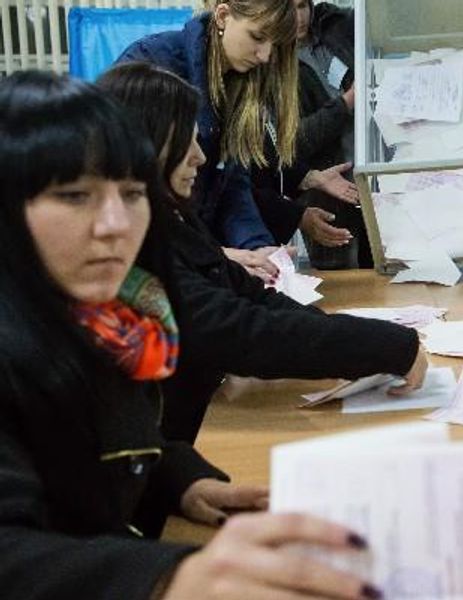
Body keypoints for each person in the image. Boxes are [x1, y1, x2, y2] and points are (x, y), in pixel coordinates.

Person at [0, 70, 378, 600]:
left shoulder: (104, 315)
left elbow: (93, 447)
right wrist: (165, 575)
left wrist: (178, 481)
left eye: (132, 193)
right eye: (73, 195)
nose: (114, 223)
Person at [98, 62, 428, 446]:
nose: (200, 158)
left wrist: (356, 345)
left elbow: (251, 297)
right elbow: (237, 330)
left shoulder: (170, 219)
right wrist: (384, 346)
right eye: (184, 143)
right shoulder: (129, 248)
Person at [118, 0, 298, 280]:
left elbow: (232, 185)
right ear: (223, 16)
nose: (264, 56)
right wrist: (211, 253)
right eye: (258, 37)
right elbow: (125, 192)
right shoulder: (153, 63)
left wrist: (259, 248)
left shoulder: (241, 82)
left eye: (274, 46)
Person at [249, 0, 369, 270]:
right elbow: (290, 143)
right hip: (324, 189)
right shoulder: (266, 62)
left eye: (303, 5)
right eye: (288, 9)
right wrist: (346, 103)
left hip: (368, 174)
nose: (298, 17)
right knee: (339, 276)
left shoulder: (334, 27)